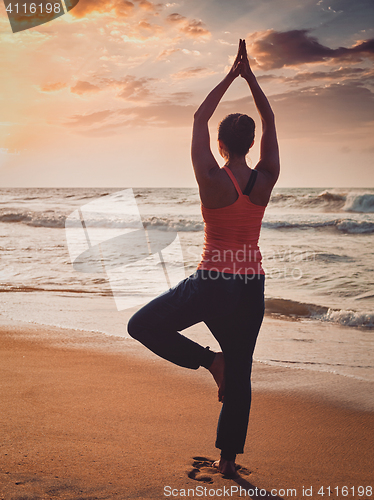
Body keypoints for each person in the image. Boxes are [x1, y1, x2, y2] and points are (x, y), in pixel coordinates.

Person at [127, 39, 279, 477]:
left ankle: (211, 362)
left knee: (142, 325)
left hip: (211, 283)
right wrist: (251, 79)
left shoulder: (211, 176)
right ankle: (229, 461)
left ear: (219, 142)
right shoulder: (267, 177)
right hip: (250, 287)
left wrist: (231, 75)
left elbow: (198, 115)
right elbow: (268, 117)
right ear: (253, 143)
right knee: (243, 368)